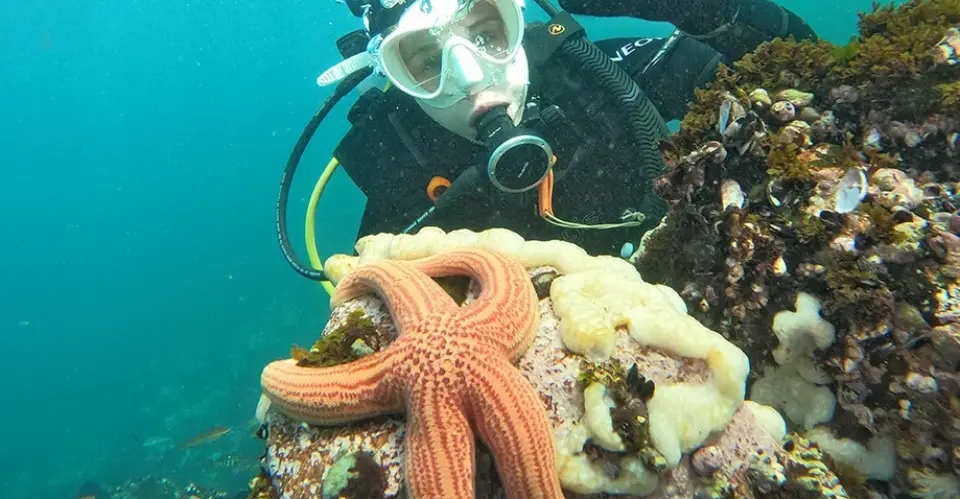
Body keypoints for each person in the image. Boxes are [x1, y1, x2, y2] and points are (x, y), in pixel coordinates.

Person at [314, 0, 817, 258]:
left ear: (519, 20)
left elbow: (801, 84)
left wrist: (703, 11)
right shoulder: (403, 171)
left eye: (488, 36)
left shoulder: (592, 77)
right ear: (390, 78)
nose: (470, 79)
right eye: (425, 63)